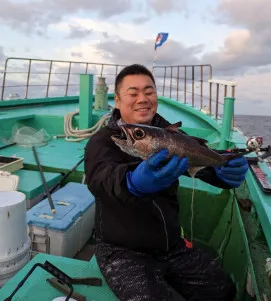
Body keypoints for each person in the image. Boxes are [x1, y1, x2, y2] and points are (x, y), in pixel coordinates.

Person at [84, 64, 248, 301]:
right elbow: (100, 179)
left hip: (171, 245)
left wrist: (223, 172)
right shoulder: (101, 142)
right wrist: (131, 182)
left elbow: (198, 166)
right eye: (133, 93)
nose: (143, 99)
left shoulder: (170, 136)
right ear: (117, 101)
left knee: (222, 290)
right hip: (122, 250)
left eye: (149, 92)